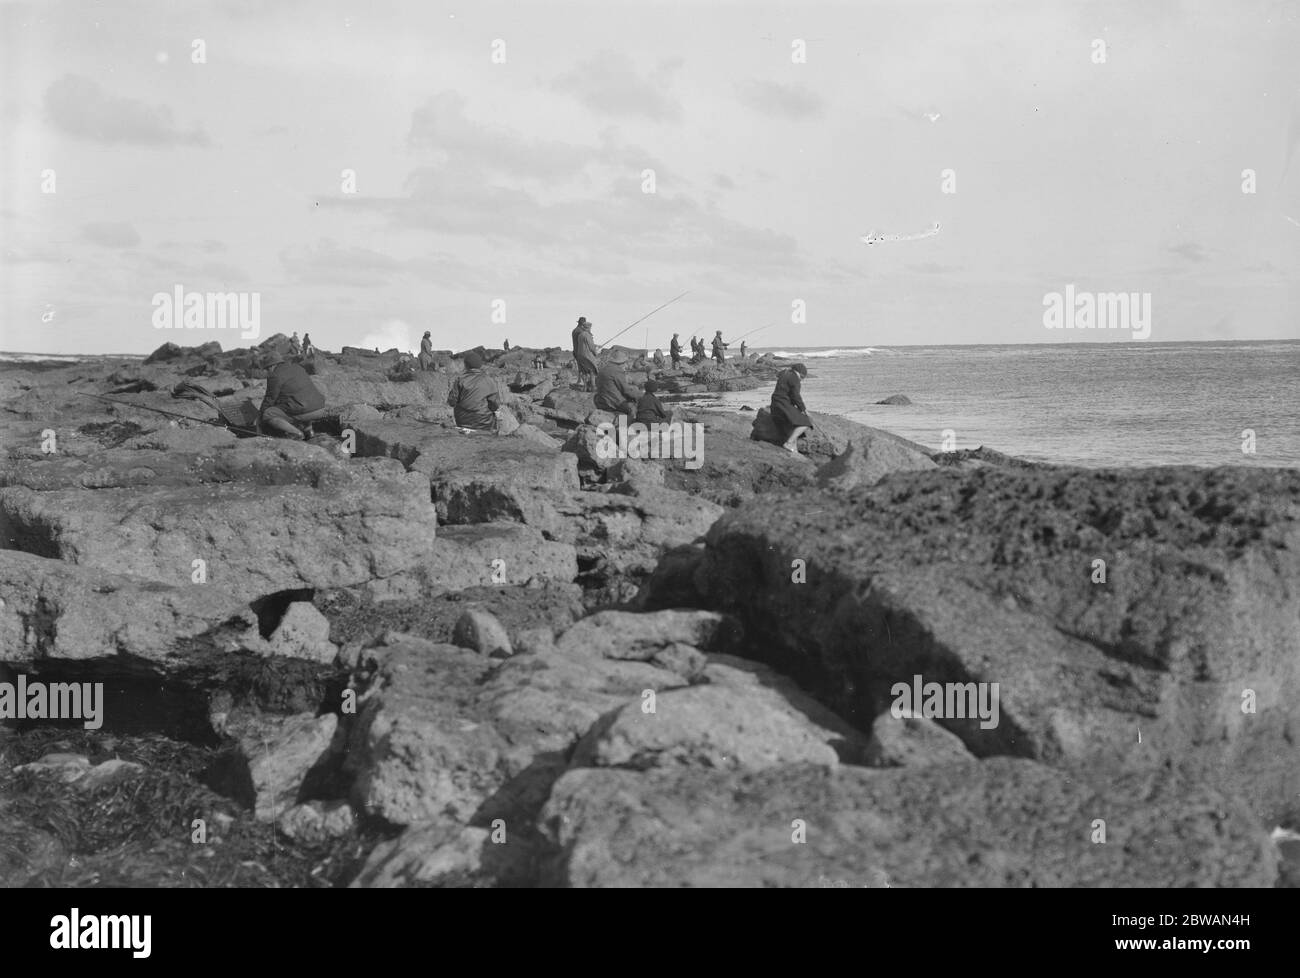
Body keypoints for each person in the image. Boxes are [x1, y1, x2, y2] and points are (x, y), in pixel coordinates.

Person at [260, 353, 328, 439]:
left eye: (267, 369)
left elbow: (270, 398)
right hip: (320, 407)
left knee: (268, 413)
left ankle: (296, 433)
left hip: (305, 411)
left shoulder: (275, 375)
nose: (267, 372)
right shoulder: (297, 367)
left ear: (272, 366)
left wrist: (260, 415)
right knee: (299, 402)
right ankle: (309, 431)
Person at [446, 351, 502, 431]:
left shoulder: (460, 379)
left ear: (466, 365)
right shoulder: (489, 380)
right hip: (484, 421)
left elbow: (452, 402)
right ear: (480, 365)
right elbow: (495, 404)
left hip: (462, 420)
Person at [770, 362, 812, 454]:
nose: (801, 380)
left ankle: (794, 450)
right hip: (782, 404)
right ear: (800, 373)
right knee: (805, 422)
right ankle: (789, 443)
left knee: (793, 425)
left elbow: (789, 393)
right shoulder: (794, 378)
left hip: (775, 404)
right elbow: (795, 396)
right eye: (802, 378)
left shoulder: (785, 374)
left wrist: (797, 408)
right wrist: (803, 409)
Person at [594, 347, 641, 423]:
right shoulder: (617, 371)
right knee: (633, 408)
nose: (625, 365)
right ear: (621, 362)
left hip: (601, 400)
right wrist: (640, 395)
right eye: (625, 362)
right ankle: (625, 425)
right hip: (613, 402)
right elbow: (626, 390)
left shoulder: (603, 369)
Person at [572, 316, 599, 392]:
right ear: (588, 328)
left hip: (579, 354)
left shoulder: (578, 333)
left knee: (584, 371)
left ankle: (585, 387)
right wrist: (595, 352)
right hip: (586, 355)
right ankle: (593, 387)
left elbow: (583, 344)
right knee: (592, 370)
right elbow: (591, 347)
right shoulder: (587, 334)